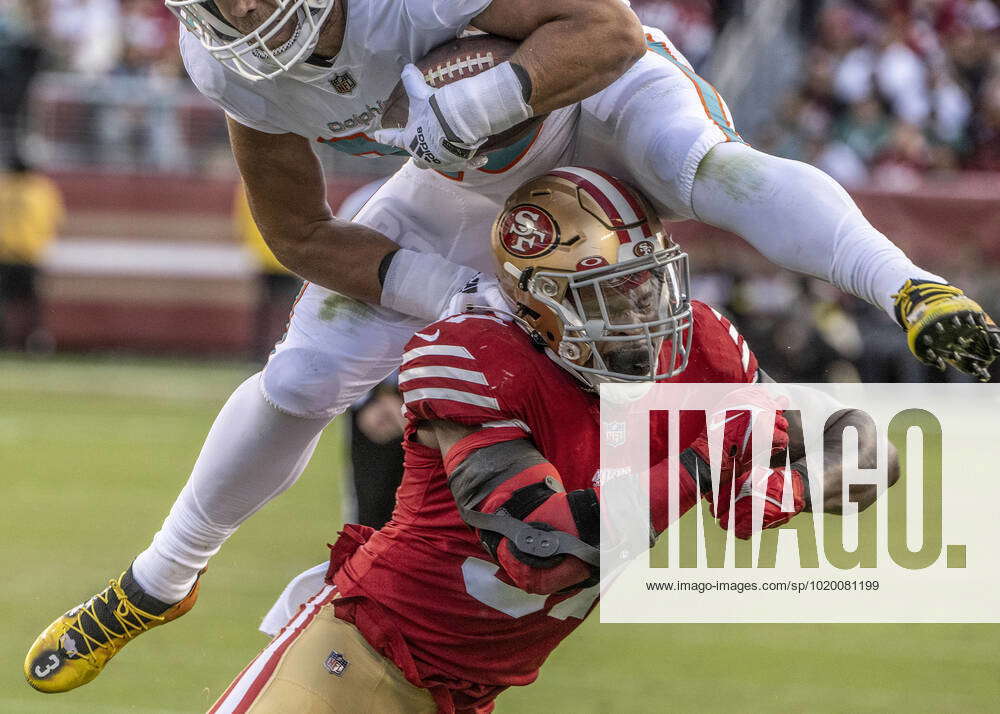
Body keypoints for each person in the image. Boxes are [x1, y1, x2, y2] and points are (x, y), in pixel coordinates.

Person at [25, 0, 993, 693]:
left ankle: (900, 284)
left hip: (604, 110)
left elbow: (608, 31)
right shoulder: (227, 60)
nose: (240, 10)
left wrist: (499, 97)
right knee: (303, 373)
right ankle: (159, 579)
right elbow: (301, 235)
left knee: (710, 171)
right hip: (474, 193)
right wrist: (452, 293)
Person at [207, 170, 898, 713]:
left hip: (472, 691)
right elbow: (539, 549)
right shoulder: (474, 359)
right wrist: (704, 463)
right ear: (539, 302)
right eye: (612, 294)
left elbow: (867, 443)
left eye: (648, 284)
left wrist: (801, 485)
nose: (644, 312)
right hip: (361, 659)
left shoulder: (702, 349)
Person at [0, 154, 64, 350]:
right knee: (34, 303)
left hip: (6, 254)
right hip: (30, 255)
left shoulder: (3, 187)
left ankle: (7, 339)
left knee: (6, 300)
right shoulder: (42, 189)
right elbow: (54, 221)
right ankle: (35, 341)